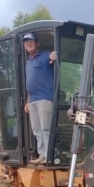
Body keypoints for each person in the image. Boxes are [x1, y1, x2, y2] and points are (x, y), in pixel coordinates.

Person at [23, 32, 57, 165]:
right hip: (32, 100)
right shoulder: (28, 61)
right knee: (36, 130)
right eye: (26, 42)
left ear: (38, 43)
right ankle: (42, 155)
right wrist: (27, 101)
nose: (29, 44)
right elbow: (29, 83)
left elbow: (52, 57)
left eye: (31, 41)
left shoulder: (44, 55)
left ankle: (49, 156)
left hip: (45, 99)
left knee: (46, 128)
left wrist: (53, 56)